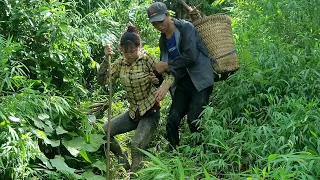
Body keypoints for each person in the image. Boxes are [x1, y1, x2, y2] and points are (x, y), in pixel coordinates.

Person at [97, 25, 174, 172]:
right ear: (121, 50)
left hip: (150, 111)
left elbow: (169, 74)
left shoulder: (147, 59)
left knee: (136, 146)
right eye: (126, 52)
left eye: (132, 51)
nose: (130, 55)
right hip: (133, 112)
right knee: (103, 133)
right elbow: (102, 81)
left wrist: (164, 86)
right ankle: (123, 160)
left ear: (139, 47)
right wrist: (105, 61)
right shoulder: (120, 63)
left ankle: (135, 175)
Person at [146, 2, 214, 149]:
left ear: (168, 15)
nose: (159, 26)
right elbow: (167, 69)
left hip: (201, 79)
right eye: (155, 24)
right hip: (183, 81)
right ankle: (174, 155)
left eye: (160, 21)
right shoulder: (163, 40)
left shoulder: (186, 28)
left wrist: (167, 64)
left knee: (194, 119)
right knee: (172, 120)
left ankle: (201, 154)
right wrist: (157, 79)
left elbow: (191, 55)